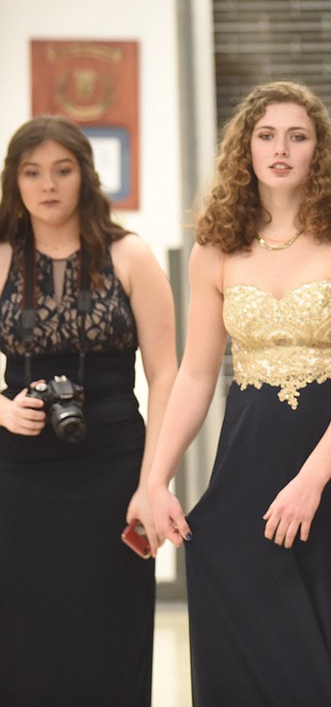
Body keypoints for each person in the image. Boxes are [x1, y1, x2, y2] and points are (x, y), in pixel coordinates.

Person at [145, 81, 331, 705]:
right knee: (249, 605)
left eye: (297, 136)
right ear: (245, 148)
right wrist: (157, 480)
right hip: (251, 450)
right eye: (266, 135)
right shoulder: (214, 249)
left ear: (318, 151)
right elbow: (198, 375)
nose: (281, 148)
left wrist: (311, 481)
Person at [0, 116, 177, 704]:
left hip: (114, 464)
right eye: (32, 172)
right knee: (22, 629)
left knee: (110, 626)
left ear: (85, 176)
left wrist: (154, 482)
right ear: (14, 182)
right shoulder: (1, 257)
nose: (47, 185)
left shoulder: (130, 255)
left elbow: (166, 373)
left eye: (62, 169)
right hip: (18, 473)